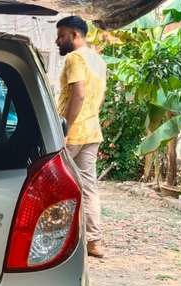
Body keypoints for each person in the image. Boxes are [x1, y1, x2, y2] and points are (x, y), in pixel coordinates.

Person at [56, 15, 107, 258]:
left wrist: (65, 127)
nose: (57, 41)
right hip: (92, 130)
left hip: (73, 133)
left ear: (75, 35)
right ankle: (94, 241)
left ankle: (58, 241)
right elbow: (100, 97)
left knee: (55, 186)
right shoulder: (98, 60)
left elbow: (79, 94)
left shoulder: (75, 58)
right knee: (88, 187)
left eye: (61, 35)